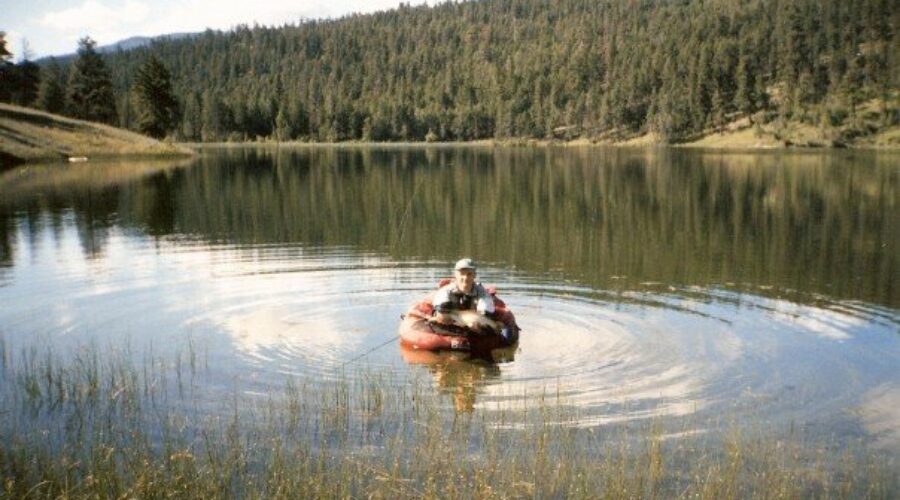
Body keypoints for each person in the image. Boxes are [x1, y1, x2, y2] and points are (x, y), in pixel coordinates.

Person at [432, 258, 495, 324]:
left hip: (474, 323)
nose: (465, 278)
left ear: (474, 275)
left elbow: (485, 314)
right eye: (462, 274)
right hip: (452, 322)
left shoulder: (483, 293)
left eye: (469, 274)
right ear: (455, 275)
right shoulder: (444, 291)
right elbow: (440, 311)